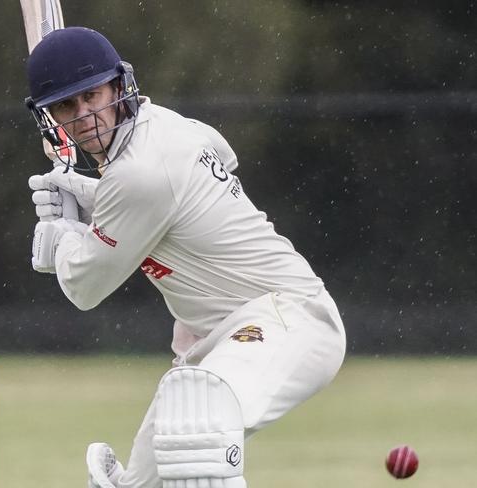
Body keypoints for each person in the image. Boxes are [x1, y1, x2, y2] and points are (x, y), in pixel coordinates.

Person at [24, 26, 346, 488]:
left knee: (202, 419)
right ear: (50, 117)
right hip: (214, 339)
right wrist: (102, 203)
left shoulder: (138, 175)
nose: (85, 115)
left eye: (92, 96)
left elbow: (84, 286)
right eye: (66, 107)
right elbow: (216, 162)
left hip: (288, 319)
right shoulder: (170, 127)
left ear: (118, 86)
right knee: (149, 475)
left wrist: (63, 238)